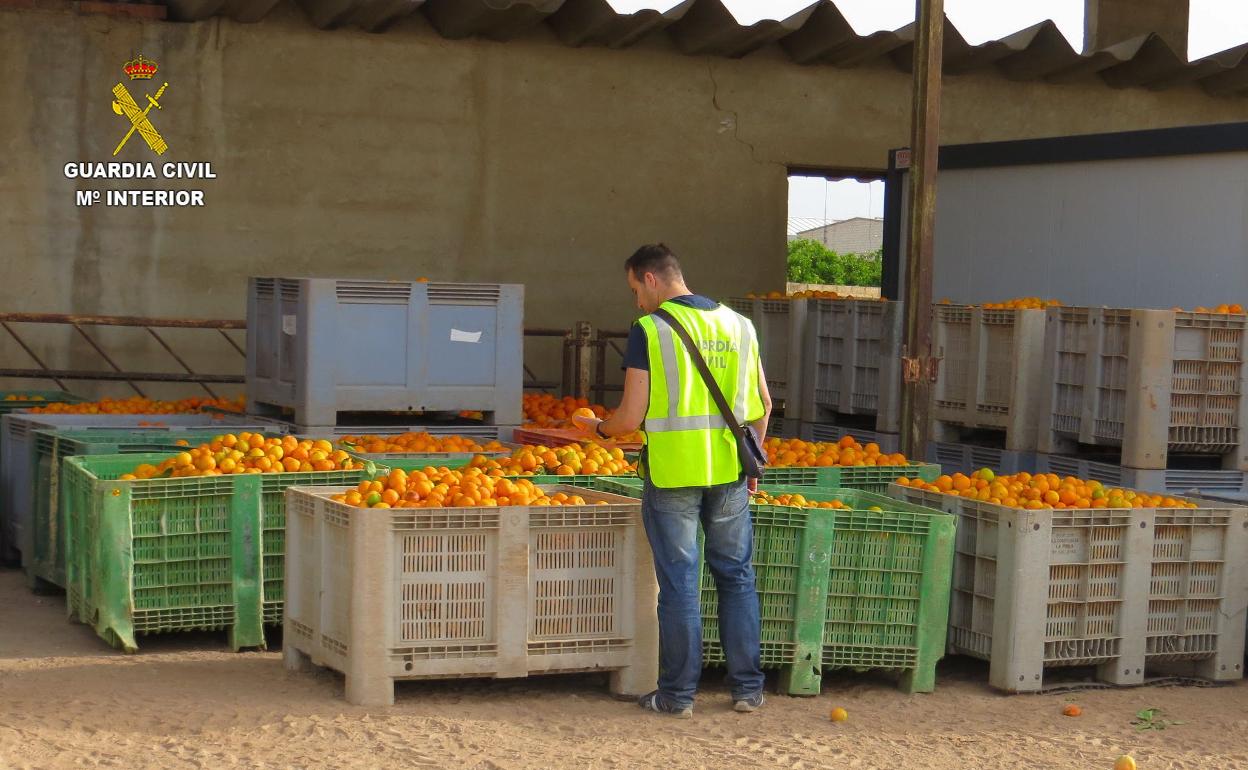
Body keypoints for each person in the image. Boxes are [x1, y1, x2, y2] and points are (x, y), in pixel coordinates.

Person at [572, 243, 772, 719]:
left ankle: (677, 695)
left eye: (635, 290)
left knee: (681, 585)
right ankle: (747, 689)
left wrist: (595, 428)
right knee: (737, 577)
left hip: (673, 477)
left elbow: (630, 417)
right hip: (727, 474)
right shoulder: (738, 324)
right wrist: (753, 463)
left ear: (651, 279)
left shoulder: (650, 329)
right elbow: (762, 402)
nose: (636, 302)